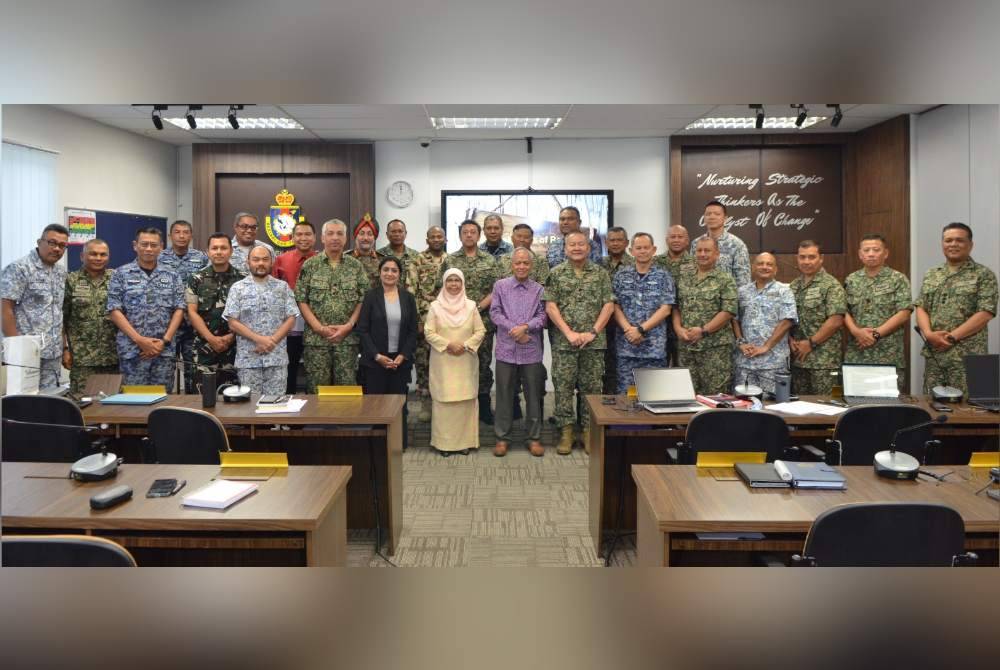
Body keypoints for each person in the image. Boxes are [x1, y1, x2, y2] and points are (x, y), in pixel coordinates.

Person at [544, 230, 615, 455]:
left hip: (593, 342)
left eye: (580, 244)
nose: (576, 248)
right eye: (572, 244)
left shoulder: (601, 274)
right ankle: (566, 432)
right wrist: (569, 333)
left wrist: (593, 332)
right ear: (565, 249)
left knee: (591, 388)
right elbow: (550, 306)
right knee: (563, 387)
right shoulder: (555, 274)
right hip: (565, 343)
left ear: (588, 248)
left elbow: (609, 305)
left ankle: (588, 431)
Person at [914, 222, 998, 395]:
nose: (953, 244)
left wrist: (951, 338)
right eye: (948, 240)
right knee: (933, 407)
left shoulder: (983, 275)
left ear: (970, 244)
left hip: (967, 356)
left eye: (959, 240)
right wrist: (929, 334)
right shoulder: (932, 273)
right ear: (942, 244)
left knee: (969, 410)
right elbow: (921, 307)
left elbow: (985, 313)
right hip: (935, 355)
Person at [296, 219, 370, 392]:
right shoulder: (310, 265)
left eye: (339, 234)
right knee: (317, 390)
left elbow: (363, 299)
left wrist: (349, 326)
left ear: (345, 239)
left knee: (346, 391)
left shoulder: (356, 266)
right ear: (322, 238)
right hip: (316, 341)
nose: (335, 238)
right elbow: (301, 299)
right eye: (330, 233)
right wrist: (319, 327)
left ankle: (344, 420)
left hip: (347, 340)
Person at [107, 227, 185, 390]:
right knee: (133, 401)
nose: (149, 249)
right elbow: (114, 311)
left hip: (163, 351)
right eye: (144, 244)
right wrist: (140, 340)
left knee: (163, 399)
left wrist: (164, 341)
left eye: (153, 245)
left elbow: (179, 309)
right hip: (132, 351)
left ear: (161, 247)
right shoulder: (121, 274)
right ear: (135, 245)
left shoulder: (172, 275)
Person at [356, 257, 418, 450]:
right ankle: (377, 445)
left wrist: (403, 355)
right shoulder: (371, 296)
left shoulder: (408, 298)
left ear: (399, 274)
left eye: (394, 270)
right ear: (380, 273)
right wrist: (377, 356)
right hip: (376, 362)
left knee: (399, 405)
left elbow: (412, 331)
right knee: (376, 406)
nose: (390, 273)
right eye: (386, 270)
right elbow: (362, 329)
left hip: (400, 361)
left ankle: (398, 444)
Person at [491, 247, 547, 457]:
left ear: (531, 266)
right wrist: (514, 329)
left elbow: (543, 317)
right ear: (511, 264)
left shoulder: (539, 290)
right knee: (504, 395)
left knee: (533, 395)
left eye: (525, 263)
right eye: (518, 263)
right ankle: (502, 438)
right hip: (506, 349)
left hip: (531, 349)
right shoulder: (500, 286)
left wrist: (526, 327)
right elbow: (495, 312)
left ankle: (533, 438)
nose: (521, 266)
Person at [443, 219, 500, 424]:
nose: (469, 235)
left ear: (479, 235)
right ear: (460, 236)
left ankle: (484, 408)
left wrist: (476, 308)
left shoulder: (489, 260)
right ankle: (460, 408)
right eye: (465, 232)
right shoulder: (450, 260)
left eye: (473, 232)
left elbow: (496, 289)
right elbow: (443, 288)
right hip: (454, 322)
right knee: (458, 364)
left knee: (483, 364)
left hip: (481, 321)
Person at [424, 268, 486, 456]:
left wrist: (465, 345)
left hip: (465, 360)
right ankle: (444, 445)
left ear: (462, 283)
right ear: (444, 283)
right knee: (444, 401)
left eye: (457, 280)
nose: (453, 284)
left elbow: (480, 331)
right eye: (449, 280)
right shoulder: (435, 306)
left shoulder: (471, 306)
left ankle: (464, 443)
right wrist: (448, 344)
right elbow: (429, 332)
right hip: (443, 360)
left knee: (464, 400)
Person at [1, 224, 69, 390]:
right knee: (25, 404)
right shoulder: (19, 268)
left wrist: (64, 346)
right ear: (39, 242)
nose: (57, 249)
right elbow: (5, 310)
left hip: (52, 352)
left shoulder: (61, 272)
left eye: (62, 245)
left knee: (50, 401)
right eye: (52, 243)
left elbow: (58, 312)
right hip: (27, 353)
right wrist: (17, 351)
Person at [223, 245, 299, 395]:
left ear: (272, 262)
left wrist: (271, 341)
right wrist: (259, 339)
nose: (260, 263)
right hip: (248, 361)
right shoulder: (238, 288)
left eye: (265, 259)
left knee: (276, 407)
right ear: (248, 262)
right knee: (249, 408)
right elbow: (232, 322)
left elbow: (291, 318)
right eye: (256, 259)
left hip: (276, 360)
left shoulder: (282, 287)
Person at [843, 234, 913, 391]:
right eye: (866, 250)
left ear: (885, 253)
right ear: (860, 254)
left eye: (876, 250)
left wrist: (875, 334)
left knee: (888, 408)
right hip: (857, 355)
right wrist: (856, 331)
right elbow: (843, 311)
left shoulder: (898, 279)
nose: (871, 254)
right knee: (856, 405)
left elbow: (904, 312)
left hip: (887, 355)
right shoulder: (851, 280)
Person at [672, 237, 738, 395]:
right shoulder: (684, 278)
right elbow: (675, 307)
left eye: (707, 250)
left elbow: (728, 311)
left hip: (715, 349)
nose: (702, 254)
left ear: (716, 254)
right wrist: (678, 328)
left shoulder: (725, 280)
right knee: (685, 394)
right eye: (699, 250)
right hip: (687, 347)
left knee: (715, 396)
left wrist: (703, 330)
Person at [612, 233, 674, 394]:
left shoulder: (664, 276)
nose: (642, 251)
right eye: (638, 248)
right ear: (631, 251)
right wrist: (629, 330)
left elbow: (666, 309)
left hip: (653, 347)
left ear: (654, 250)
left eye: (646, 248)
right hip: (627, 345)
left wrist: (640, 329)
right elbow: (614, 306)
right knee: (625, 395)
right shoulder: (620, 275)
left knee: (653, 394)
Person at [733, 253, 797, 395]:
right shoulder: (742, 292)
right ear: (753, 267)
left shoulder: (784, 291)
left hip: (773, 363)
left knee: (773, 408)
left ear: (775, 269)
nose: (764, 267)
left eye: (769, 264)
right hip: (745, 363)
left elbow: (787, 321)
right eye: (760, 263)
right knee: (744, 407)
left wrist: (766, 347)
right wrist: (741, 343)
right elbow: (735, 319)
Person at [186, 233, 245, 388]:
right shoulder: (196, 279)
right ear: (207, 251)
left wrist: (231, 337)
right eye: (215, 248)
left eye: (223, 248)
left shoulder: (243, 279)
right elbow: (192, 312)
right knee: (203, 398)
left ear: (231, 251)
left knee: (233, 401)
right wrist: (211, 339)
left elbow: (247, 315)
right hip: (204, 349)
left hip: (235, 349)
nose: (219, 252)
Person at [788, 240, 847, 395]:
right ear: (797, 258)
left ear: (821, 258)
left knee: (828, 408)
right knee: (799, 408)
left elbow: (836, 320)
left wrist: (811, 343)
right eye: (802, 257)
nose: (806, 261)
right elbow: (786, 318)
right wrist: (789, 339)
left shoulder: (831, 285)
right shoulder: (793, 286)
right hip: (798, 360)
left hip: (824, 362)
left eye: (811, 257)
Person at [62, 239, 118, 398]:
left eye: (103, 254)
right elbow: (62, 318)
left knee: (113, 403)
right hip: (82, 358)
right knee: (82, 403)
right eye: (93, 254)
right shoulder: (70, 280)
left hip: (114, 356)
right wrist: (64, 349)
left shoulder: (117, 278)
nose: (98, 258)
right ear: (82, 256)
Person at [158, 220, 209, 393]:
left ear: (191, 235)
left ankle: (192, 410)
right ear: (170, 236)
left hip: (192, 324)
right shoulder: (159, 257)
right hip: (167, 324)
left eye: (186, 232)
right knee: (165, 369)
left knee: (192, 369)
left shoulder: (201, 257)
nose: (181, 236)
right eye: (177, 232)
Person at [407, 226, 448, 422]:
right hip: (424, 320)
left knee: (446, 363)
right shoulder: (417, 260)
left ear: (445, 239)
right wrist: (417, 319)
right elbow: (410, 290)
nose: (436, 239)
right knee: (423, 362)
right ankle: (425, 404)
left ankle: (444, 405)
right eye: (433, 236)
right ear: (427, 239)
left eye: (440, 236)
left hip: (448, 320)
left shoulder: (452, 260)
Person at [272, 220, 317, 393]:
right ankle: (289, 416)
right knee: (288, 368)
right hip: (289, 326)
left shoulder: (322, 260)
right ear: (292, 238)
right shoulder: (281, 260)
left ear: (314, 238)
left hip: (316, 324)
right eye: (299, 234)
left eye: (307, 234)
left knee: (314, 370)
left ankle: (313, 412)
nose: (303, 238)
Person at [600, 225, 635, 393]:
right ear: (606, 242)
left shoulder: (636, 264)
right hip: (602, 325)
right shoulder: (598, 265)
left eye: (619, 240)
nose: (615, 243)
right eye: (611, 240)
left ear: (627, 242)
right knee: (604, 368)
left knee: (626, 367)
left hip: (628, 325)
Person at [654, 225, 696, 367]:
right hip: (659, 323)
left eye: (680, 237)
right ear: (666, 240)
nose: (676, 240)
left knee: (683, 369)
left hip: (686, 324)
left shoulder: (696, 263)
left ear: (687, 240)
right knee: (659, 367)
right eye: (673, 237)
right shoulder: (655, 262)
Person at [690, 200, 751, 287]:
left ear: (725, 218)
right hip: (701, 297)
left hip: (727, 297)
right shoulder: (696, 243)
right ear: (704, 217)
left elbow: (744, 281)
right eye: (708, 214)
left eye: (717, 214)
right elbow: (692, 272)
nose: (712, 217)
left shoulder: (737, 245)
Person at [376, 219, 420, 289]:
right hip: (385, 297)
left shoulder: (416, 256)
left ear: (405, 234)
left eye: (400, 231)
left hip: (409, 298)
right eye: (393, 232)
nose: (397, 234)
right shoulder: (378, 255)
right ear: (387, 235)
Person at [349, 214, 386, 288]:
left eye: (370, 234)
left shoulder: (383, 261)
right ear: (355, 236)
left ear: (374, 238)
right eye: (361, 233)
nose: (365, 238)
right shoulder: (345, 259)